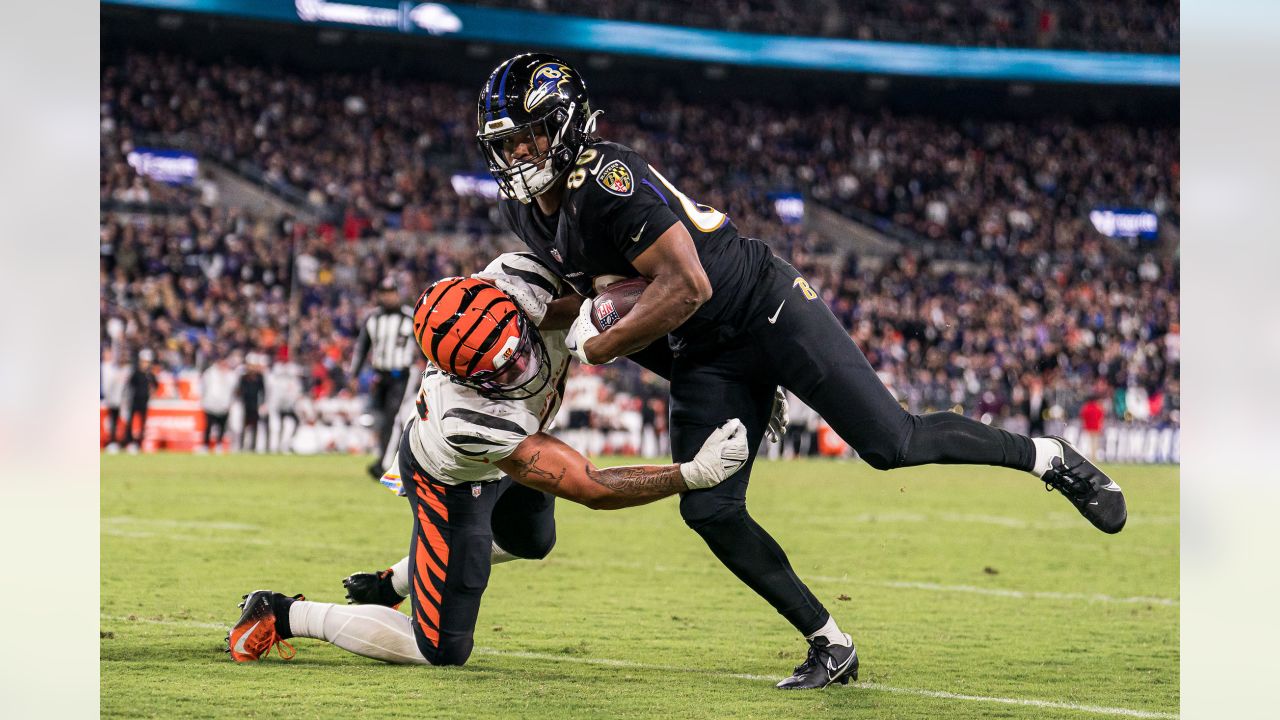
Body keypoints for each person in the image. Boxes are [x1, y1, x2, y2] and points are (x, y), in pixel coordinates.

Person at [473, 52, 1129, 689]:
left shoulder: (607, 179)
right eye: (506, 143)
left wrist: (600, 346)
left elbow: (686, 286)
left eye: (529, 137)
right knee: (710, 510)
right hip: (704, 354)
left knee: (891, 443)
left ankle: (1049, 457)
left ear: (566, 125)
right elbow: (608, 302)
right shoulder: (525, 211)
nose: (518, 155)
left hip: (761, 305)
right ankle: (828, 642)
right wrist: (521, 314)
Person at [226, 261, 751, 668]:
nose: (521, 368)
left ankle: (394, 583)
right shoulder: (470, 418)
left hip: (515, 445)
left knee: (533, 541)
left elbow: (607, 289)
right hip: (453, 481)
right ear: (465, 377)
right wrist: (690, 473)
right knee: (441, 649)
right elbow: (592, 487)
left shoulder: (521, 279)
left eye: (517, 349)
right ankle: (285, 612)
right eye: (499, 371)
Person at [350, 276, 419, 480]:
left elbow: (424, 343)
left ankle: (385, 463)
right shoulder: (373, 319)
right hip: (380, 376)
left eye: (391, 293)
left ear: (397, 294)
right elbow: (362, 347)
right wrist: (354, 374)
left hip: (402, 374)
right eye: (384, 293)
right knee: (380, 419)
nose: (388, 297)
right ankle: (386, 457)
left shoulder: (409, 317)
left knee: (394, 415)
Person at [199, 355, 239, 453]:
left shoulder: (231, 375)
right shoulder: (209, 373)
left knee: (222, 426)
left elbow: (233, 389)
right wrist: (204, 400)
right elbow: (203, 387)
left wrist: (230, 402)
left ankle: (219, 445)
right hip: (210, 403)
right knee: (208, 426)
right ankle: (205, 445)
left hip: (224, 404)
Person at [122, 348, 159, 454]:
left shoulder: (149, 375)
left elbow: (156, 385)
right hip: (134, 401)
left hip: (144, 402)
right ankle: (128, 442)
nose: (145, 364)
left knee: (142, 423)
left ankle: (139, 443)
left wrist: (153, 391)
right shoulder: (136, 373)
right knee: (130, 423)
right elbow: (129, 386)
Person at [235, 354, 267, 453]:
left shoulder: (259, 377)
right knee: (243, 427)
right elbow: (239, 391)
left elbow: (263, 391)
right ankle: (241, 447)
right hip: (245, 405)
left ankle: (253, 447)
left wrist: (262, 404)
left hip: (255, 405)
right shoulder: (244, 377)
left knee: (255, 427)